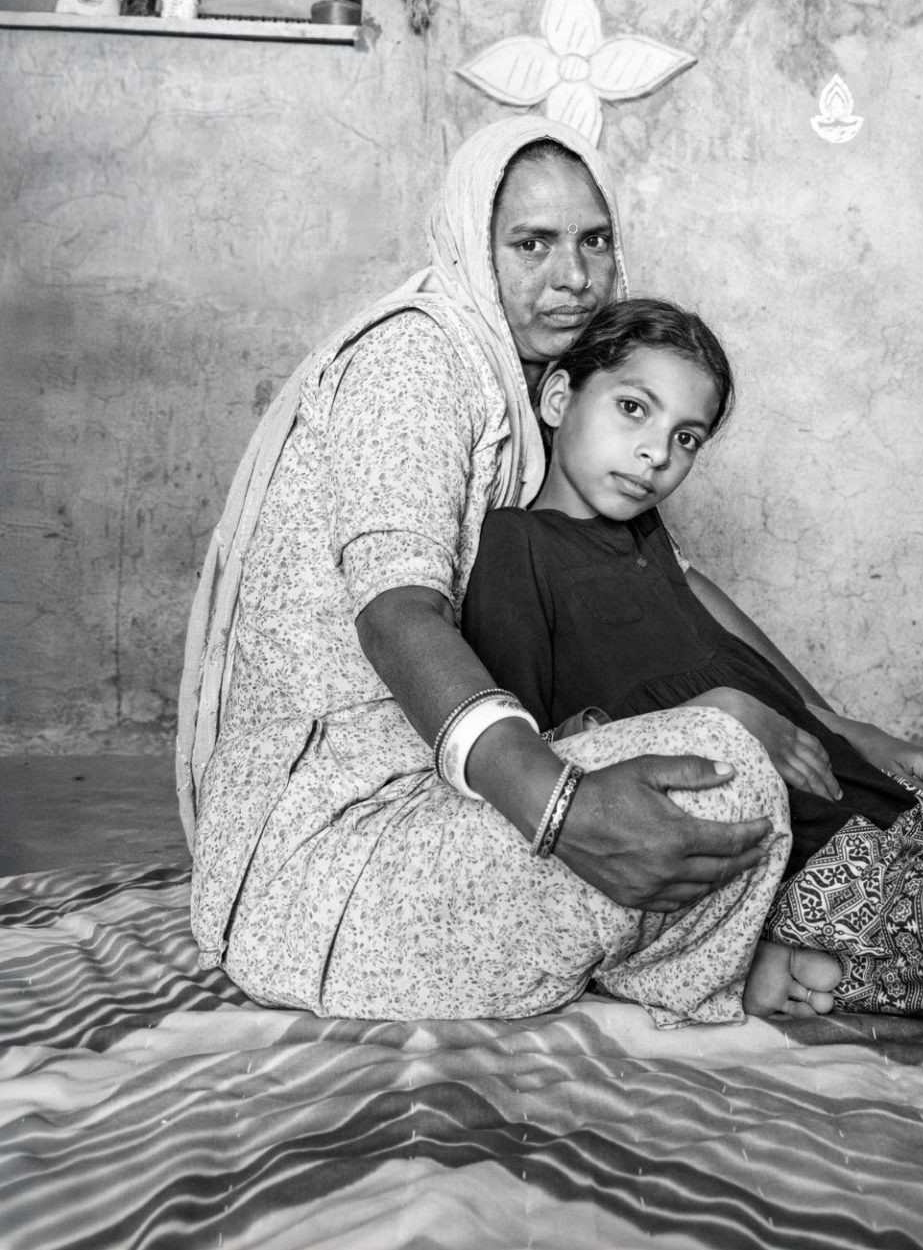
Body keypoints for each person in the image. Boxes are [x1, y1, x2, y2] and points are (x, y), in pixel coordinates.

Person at [181, 115, 831, 1030]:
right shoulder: (419, 358)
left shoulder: (544, 389)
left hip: (454, 802)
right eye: (532, 244)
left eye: (594, 241)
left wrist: (828, 721)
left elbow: (673, 577)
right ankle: (706, 960)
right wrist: (562, 808)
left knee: (717, 751)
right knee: (718, 762)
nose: (573, 276)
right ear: (472, 248)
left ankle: (698, 959)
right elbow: (397, 612)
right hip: (333, 868)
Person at [461, 298, 923, 1016]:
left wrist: (848, 726)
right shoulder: (513, 549)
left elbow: (739, 651)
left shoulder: (647, 540)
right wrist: (712, 715)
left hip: (870, 799)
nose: (658, 454)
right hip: (816, 882)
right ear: (557, 396)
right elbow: (536, 765)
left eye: (687, 437)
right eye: (634, 409)